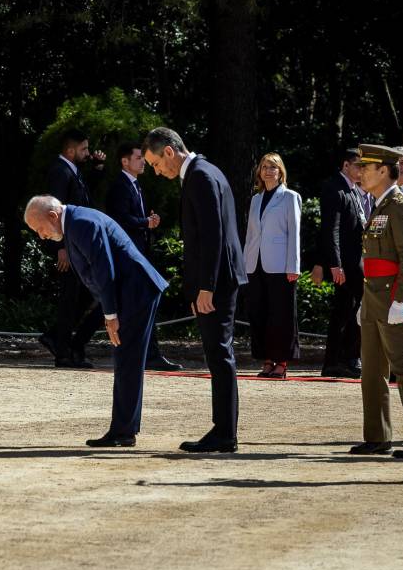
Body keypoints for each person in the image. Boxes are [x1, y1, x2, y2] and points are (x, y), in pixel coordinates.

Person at [24, 196, 167, 446]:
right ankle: (124, 429)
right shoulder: (75, 222)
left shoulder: (81, 223)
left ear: (53, 216)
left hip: (135, 292)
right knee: (126, 359)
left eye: (39, 229)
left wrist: (110, 315)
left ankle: (123, 432)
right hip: (132, 291)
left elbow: (104, 269)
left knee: (126, 359)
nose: (41, 236)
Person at [143, 127, 246, 453]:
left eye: (157, 164)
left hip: (217, 282)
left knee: (219, 354)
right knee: (217, 354)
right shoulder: (206, 171)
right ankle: (223, 430)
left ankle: (225, 432)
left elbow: (213, 236)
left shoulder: (200, 175)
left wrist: (206, 288)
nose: (158, 172)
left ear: (169, 152)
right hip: (218, 279)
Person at [349, 144, 403, 456]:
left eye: (366, 168)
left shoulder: (400, 206)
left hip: (393, 301)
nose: (360, 173)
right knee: (372, 370)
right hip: (374, 298)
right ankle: (377, 435)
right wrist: (365, 299)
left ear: (384, 171)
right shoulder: (378, 205)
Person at [104, 141, 180, 372]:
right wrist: (145, 222)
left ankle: (148, 353)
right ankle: (147, 354)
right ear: (124, 161)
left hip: (139, 253)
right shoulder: (120, 186)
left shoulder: (135, 185)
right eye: (138, 158)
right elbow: (119, 220)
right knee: (139, 302)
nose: (143, 162)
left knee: (142, 302)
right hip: (129, 256)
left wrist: (148, 223)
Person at [40, 128, 106, 368]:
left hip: (75, 244)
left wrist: (97, 169)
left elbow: (82, 200)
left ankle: (57, 338)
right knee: (71, 297)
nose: (87, 153)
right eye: (84, 149)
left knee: (82, 295)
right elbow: (54, 210)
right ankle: (63, 352)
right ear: (70, 150)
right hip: (67, 245)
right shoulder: (60, 171)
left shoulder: (73, 170)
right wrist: (60, 246)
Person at [242, 153, 302, 380]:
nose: (268, 171)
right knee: (259, 313)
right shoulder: (256, 199)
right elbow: (250, 235)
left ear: (280, 171)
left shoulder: (290, 197)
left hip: (280, 265)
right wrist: (244, 264)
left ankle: (282, 362)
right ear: (259, 171)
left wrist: (293, 266)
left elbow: (294, 233)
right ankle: (266, 359)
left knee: (282, 314)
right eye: (264, 167)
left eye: (273, 167)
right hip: (254, 264)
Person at [312, 148, 364, 378]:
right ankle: (334, 361)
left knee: (351, 310)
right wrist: (334, 264)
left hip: (355, 262)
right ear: (346, 166)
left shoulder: (352, 190)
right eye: (358, 165)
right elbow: (330, 229)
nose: (362, 170)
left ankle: (346, 358)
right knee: (343, 311)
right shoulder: (334, 187)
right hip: (345, 264)